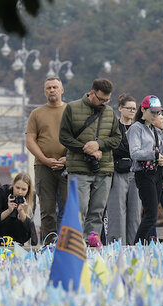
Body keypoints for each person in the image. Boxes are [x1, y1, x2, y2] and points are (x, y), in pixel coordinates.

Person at [59, 79, 122, 237]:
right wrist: (86, 149)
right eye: (101, 99)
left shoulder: (109, 112)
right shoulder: (72, 108)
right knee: (79, 210)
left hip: (104, 169)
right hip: (79, 168)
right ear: (92, 93)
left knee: (97, 211)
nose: (104, 103)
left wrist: (99, 145)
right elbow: (64, 137)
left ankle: (92, 245)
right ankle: (75, 247)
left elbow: (117, 138)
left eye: (107, 100)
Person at [26, 77, 68, 243]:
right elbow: (30, 141)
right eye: (49, 88)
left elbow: (78, 138)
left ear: (61, 90)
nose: (52, 90)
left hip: (67, 166)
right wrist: (45, 159)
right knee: (47, 209)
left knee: (67, 208)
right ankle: (49, 245)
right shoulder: (37, 113)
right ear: (45, 91)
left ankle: (66, 245)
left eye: (55, 87)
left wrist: (67, 158)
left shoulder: (70, 111)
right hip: (43, 167)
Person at [127, 95, 163, 244]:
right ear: (143, 110)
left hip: (157, 172)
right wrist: (155, 154)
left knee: (150, 213)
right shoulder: (135, 128)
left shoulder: (157, 131)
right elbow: (134, 153)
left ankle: (144, 244)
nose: (156, 115)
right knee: (151, 213)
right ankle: (137, 244)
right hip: (143, 173)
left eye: (158, 113)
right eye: (153, 112)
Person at [105, 93, 141, 245]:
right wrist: (131, 150)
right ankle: (116, 246)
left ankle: (133, 247)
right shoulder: (114, 127)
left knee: (134, 215)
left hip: (135, 172)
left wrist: (129, 150)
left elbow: (142, 149)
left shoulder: (138, 127)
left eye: (134, 108)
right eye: (129, 108)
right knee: (117, 213)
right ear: (120, 108)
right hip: (118, 171)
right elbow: (114, 148)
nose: (132, 111)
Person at [0, 173, 36, 245]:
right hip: (1, 231)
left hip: (20, 234)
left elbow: (29, 225)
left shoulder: (31, 196)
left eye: (23, 189)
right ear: (13, 185)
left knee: (27, 221)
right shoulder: (4, 191)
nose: (20, 192)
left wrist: (21, 211)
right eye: (17, 188)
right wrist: (9, 210)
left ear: (28, 190)